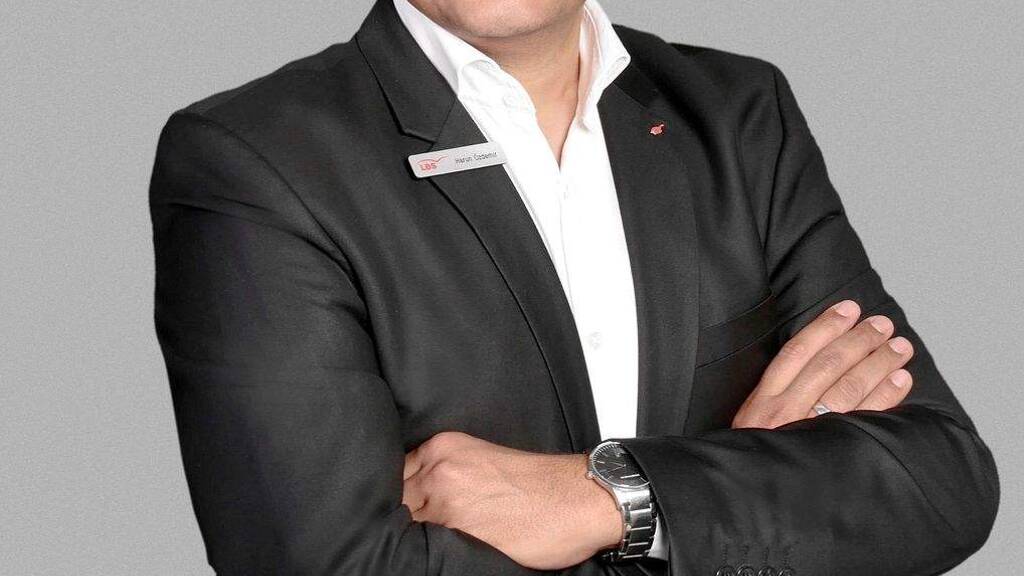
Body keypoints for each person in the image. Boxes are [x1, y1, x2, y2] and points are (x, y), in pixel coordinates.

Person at [148, 0, 999, 574]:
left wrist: (611, 497)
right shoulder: (254, 162)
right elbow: (329, 566)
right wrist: (743, 496)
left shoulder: (740, 115)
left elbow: (939, 480)